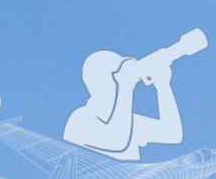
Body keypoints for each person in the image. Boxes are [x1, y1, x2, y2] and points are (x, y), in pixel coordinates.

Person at [62, 29, 207, 161]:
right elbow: (116, 141)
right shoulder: (80, 120)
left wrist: (163, 86)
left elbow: (173, 134)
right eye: (118, 73)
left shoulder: (128, 121)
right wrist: (124, 87)